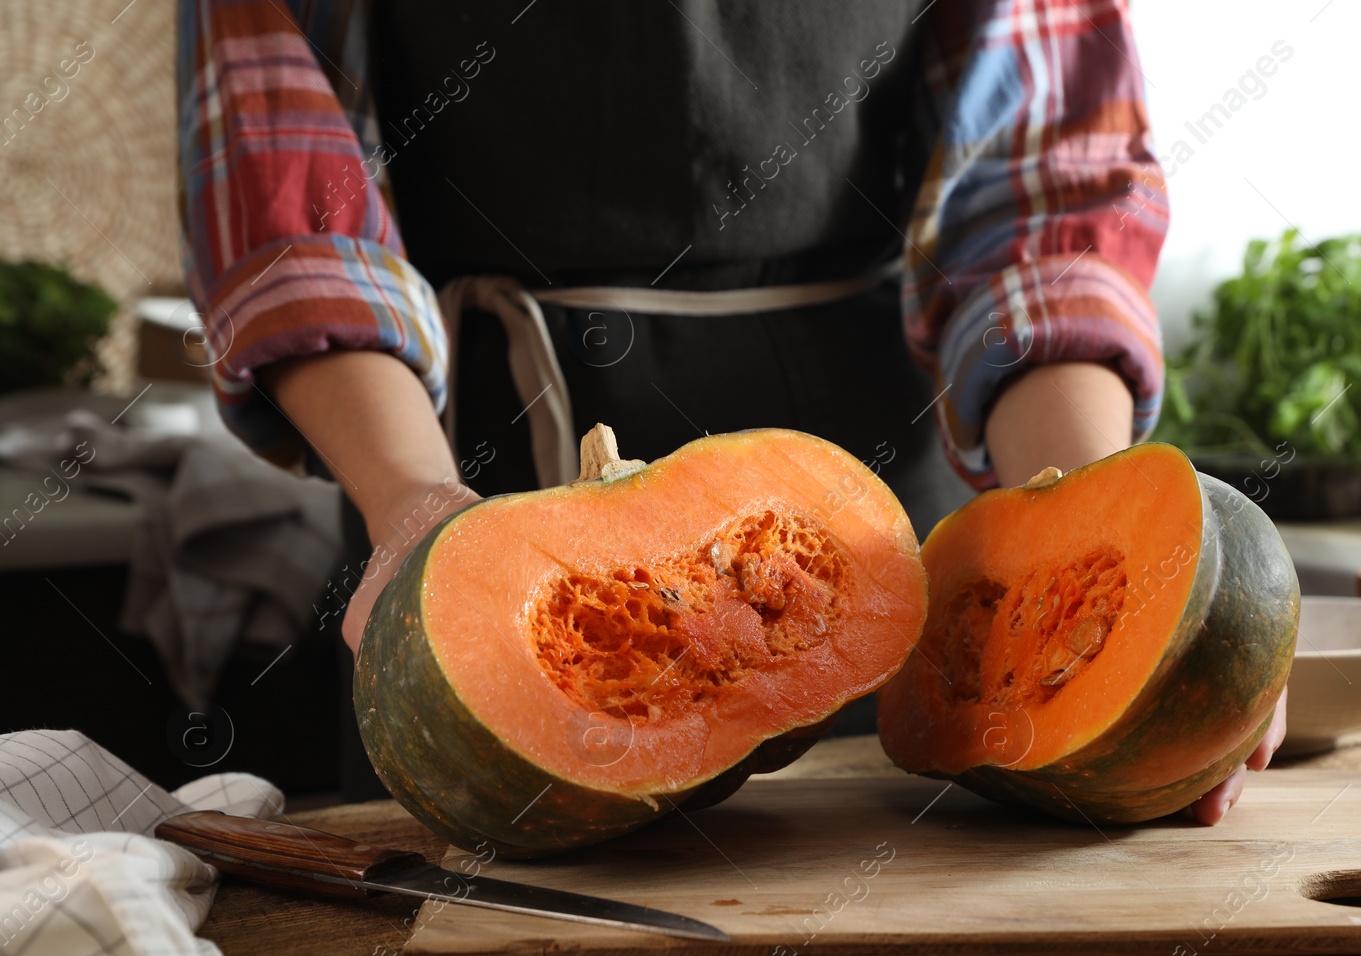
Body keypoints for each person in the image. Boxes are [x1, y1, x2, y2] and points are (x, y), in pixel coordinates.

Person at [178, 0, 1284, 821]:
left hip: (882, 493)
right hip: (462, 461)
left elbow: (1040, 202)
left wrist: (1123, 593)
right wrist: (417, 518)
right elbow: (296, 220)